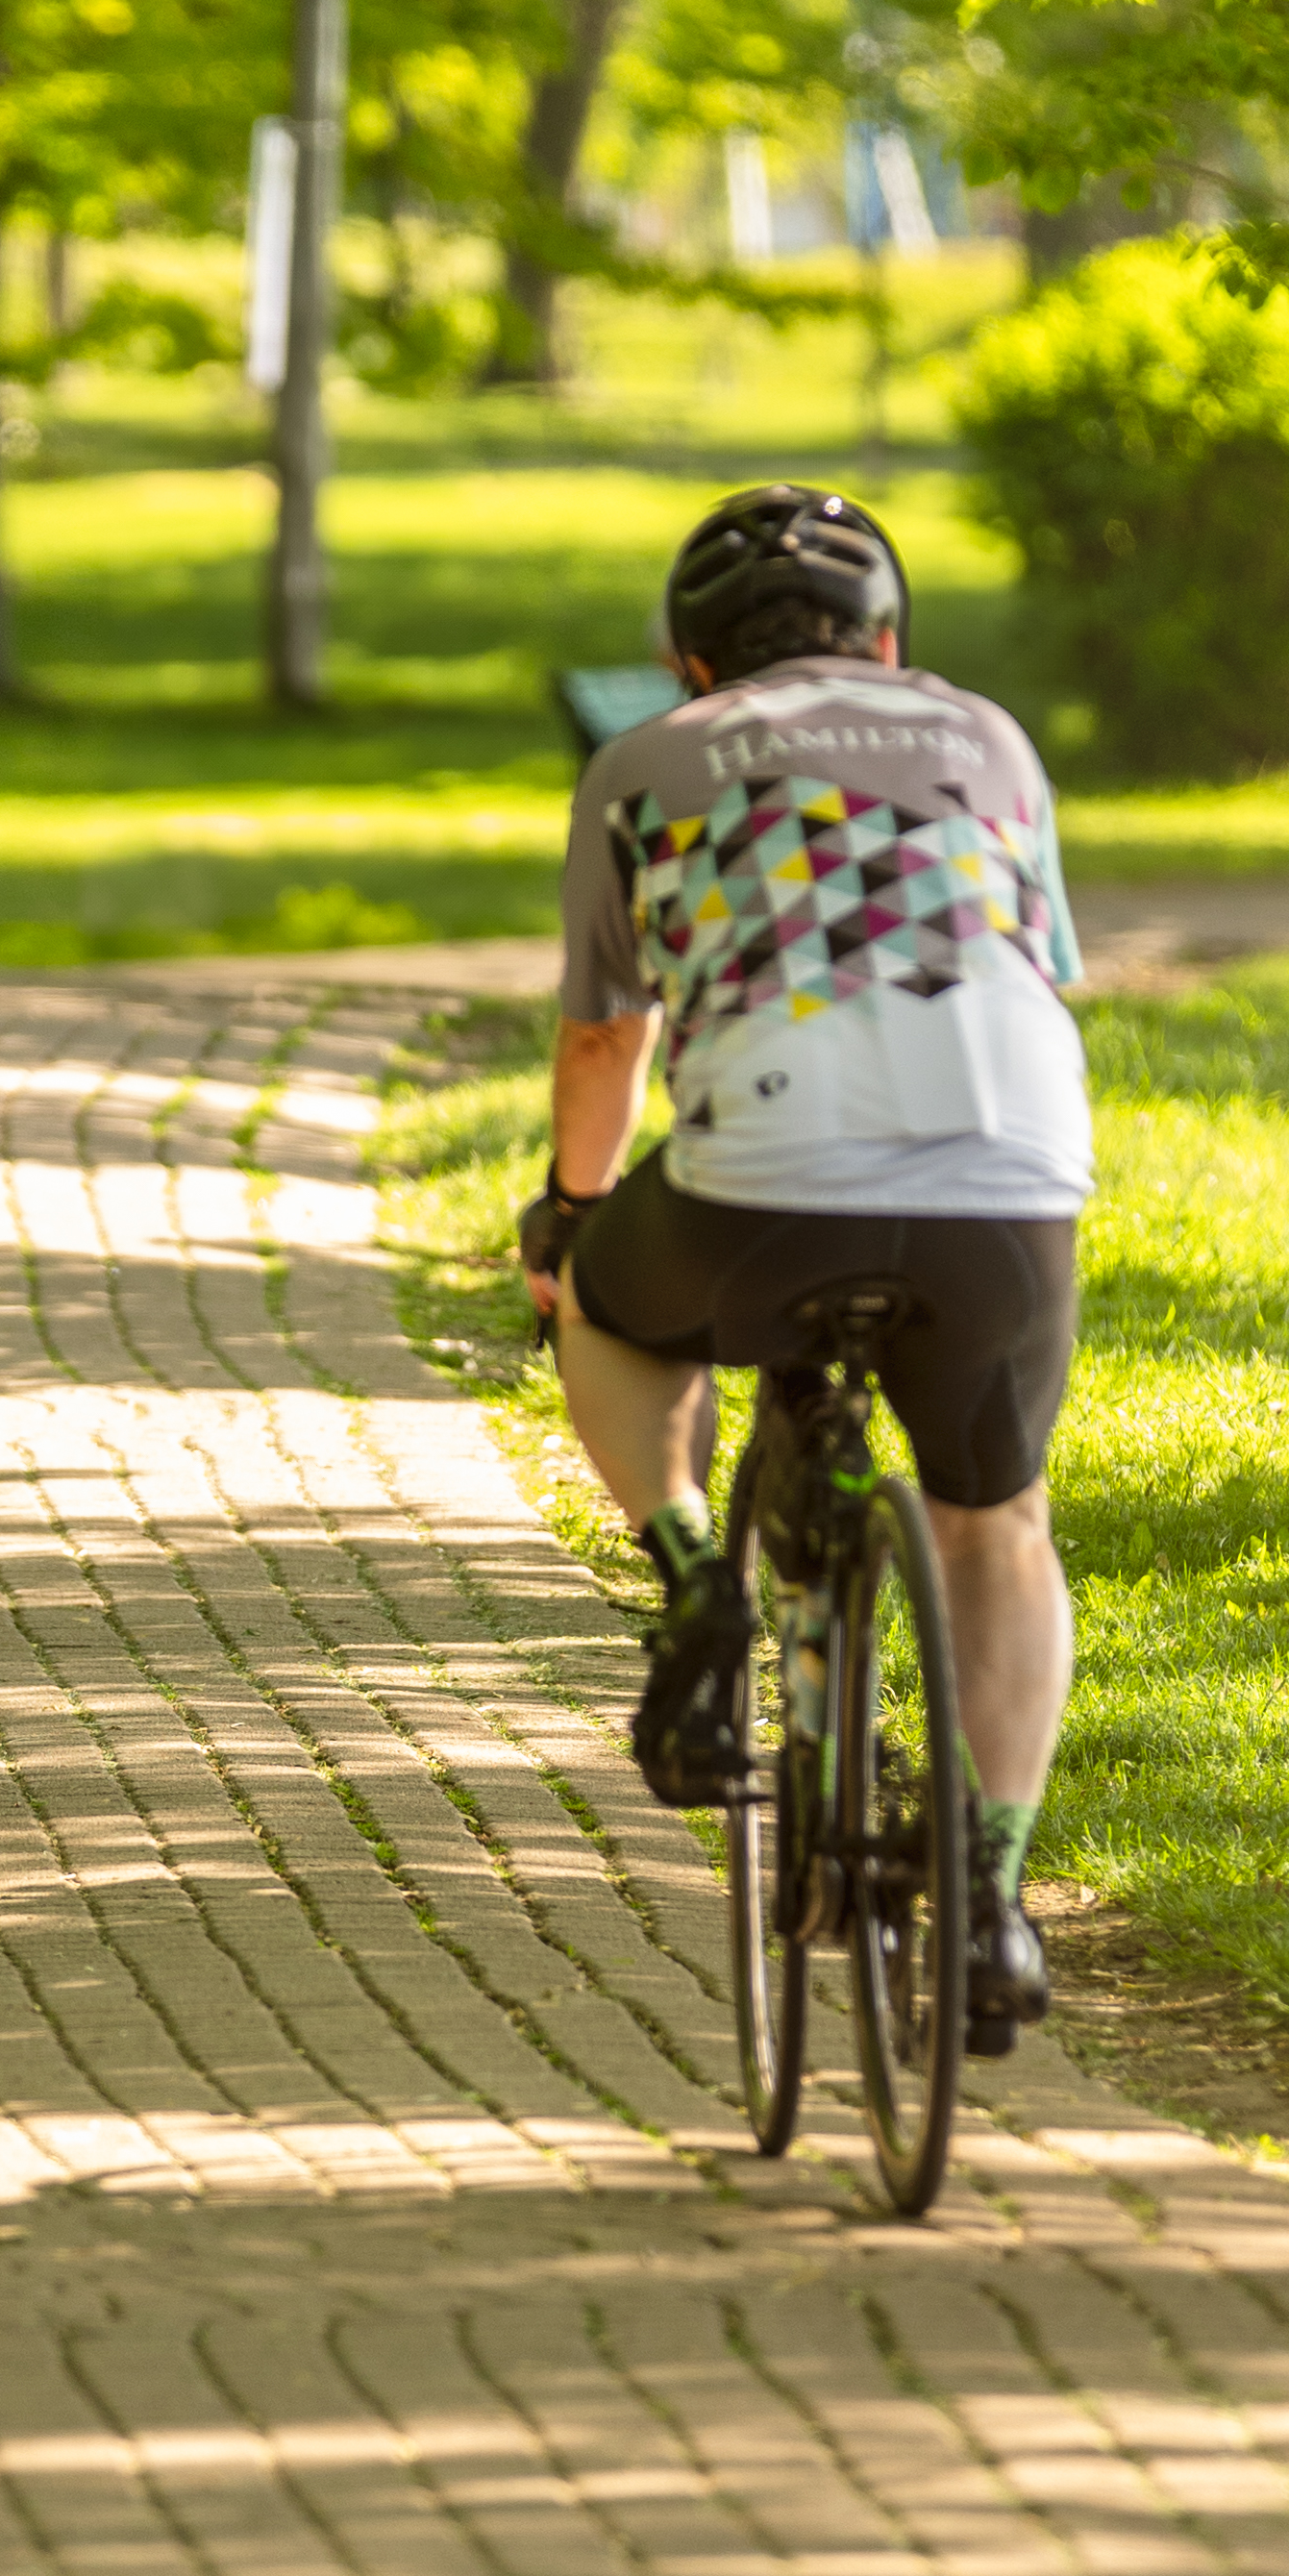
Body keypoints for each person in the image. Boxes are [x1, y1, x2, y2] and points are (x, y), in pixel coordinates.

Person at [517, 482, 1086, 2050]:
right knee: (999, 1527)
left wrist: (567, 1219)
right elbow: (1032, 962)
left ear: (688, 667)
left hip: (760, 1177)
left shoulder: (640, 765)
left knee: (613, 1307)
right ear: (891, 641)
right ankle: (994, 1899)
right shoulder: (990, 741)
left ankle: (698, 1582)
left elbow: (601, 1035)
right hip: (1010, 1171)